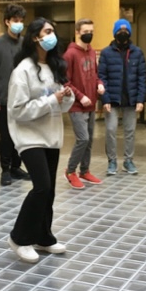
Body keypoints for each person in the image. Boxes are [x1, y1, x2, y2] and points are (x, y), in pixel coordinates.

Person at [6, 18, 74, 264]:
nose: (51, 36)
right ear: (35, 37)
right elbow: (17, 111)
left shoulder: (55, 66)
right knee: (41, 186)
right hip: (29, 137)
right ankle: (19, 237)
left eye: (53, 32)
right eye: (47, 32)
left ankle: (43, 236)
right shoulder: (22, 70)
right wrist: (51, 100)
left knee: (50, 190)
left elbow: (62, 105)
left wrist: (66, 96)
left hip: (51, 136)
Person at [0, 4, 31, 186]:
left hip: (23, 98)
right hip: (5, 99)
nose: (18, 24)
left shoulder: (25, 44)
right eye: (15, 21)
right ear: (7, 22)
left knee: (20, 135)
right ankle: (5, 170)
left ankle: (16, 166)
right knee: (5, 136)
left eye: (21, 21)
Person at [98, 19, 146, 175]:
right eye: (120, 30)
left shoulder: (137, 52)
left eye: (126, 30)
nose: (123, 33)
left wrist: (140, 99)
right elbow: (101, 77)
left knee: (130, 131)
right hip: (112, 99)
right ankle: (112, 161)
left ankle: (128, 160)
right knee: (111, 129)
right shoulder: (106, 53)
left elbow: (142, 77)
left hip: (131, 99)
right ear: (114, 33)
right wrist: (104, 98)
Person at [62, 18, 104, 189]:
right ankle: (70, 171)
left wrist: (99, 84)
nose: (89, 35)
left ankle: (84, 170)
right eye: (85, 32)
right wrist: (80, 96)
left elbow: (95, 73)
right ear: (77, 32)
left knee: (89, 140)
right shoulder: (70, 54)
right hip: (76, 105)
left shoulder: (92, 52)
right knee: (82, 138)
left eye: (91, 32)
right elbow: (65, 81)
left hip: (91, 103)